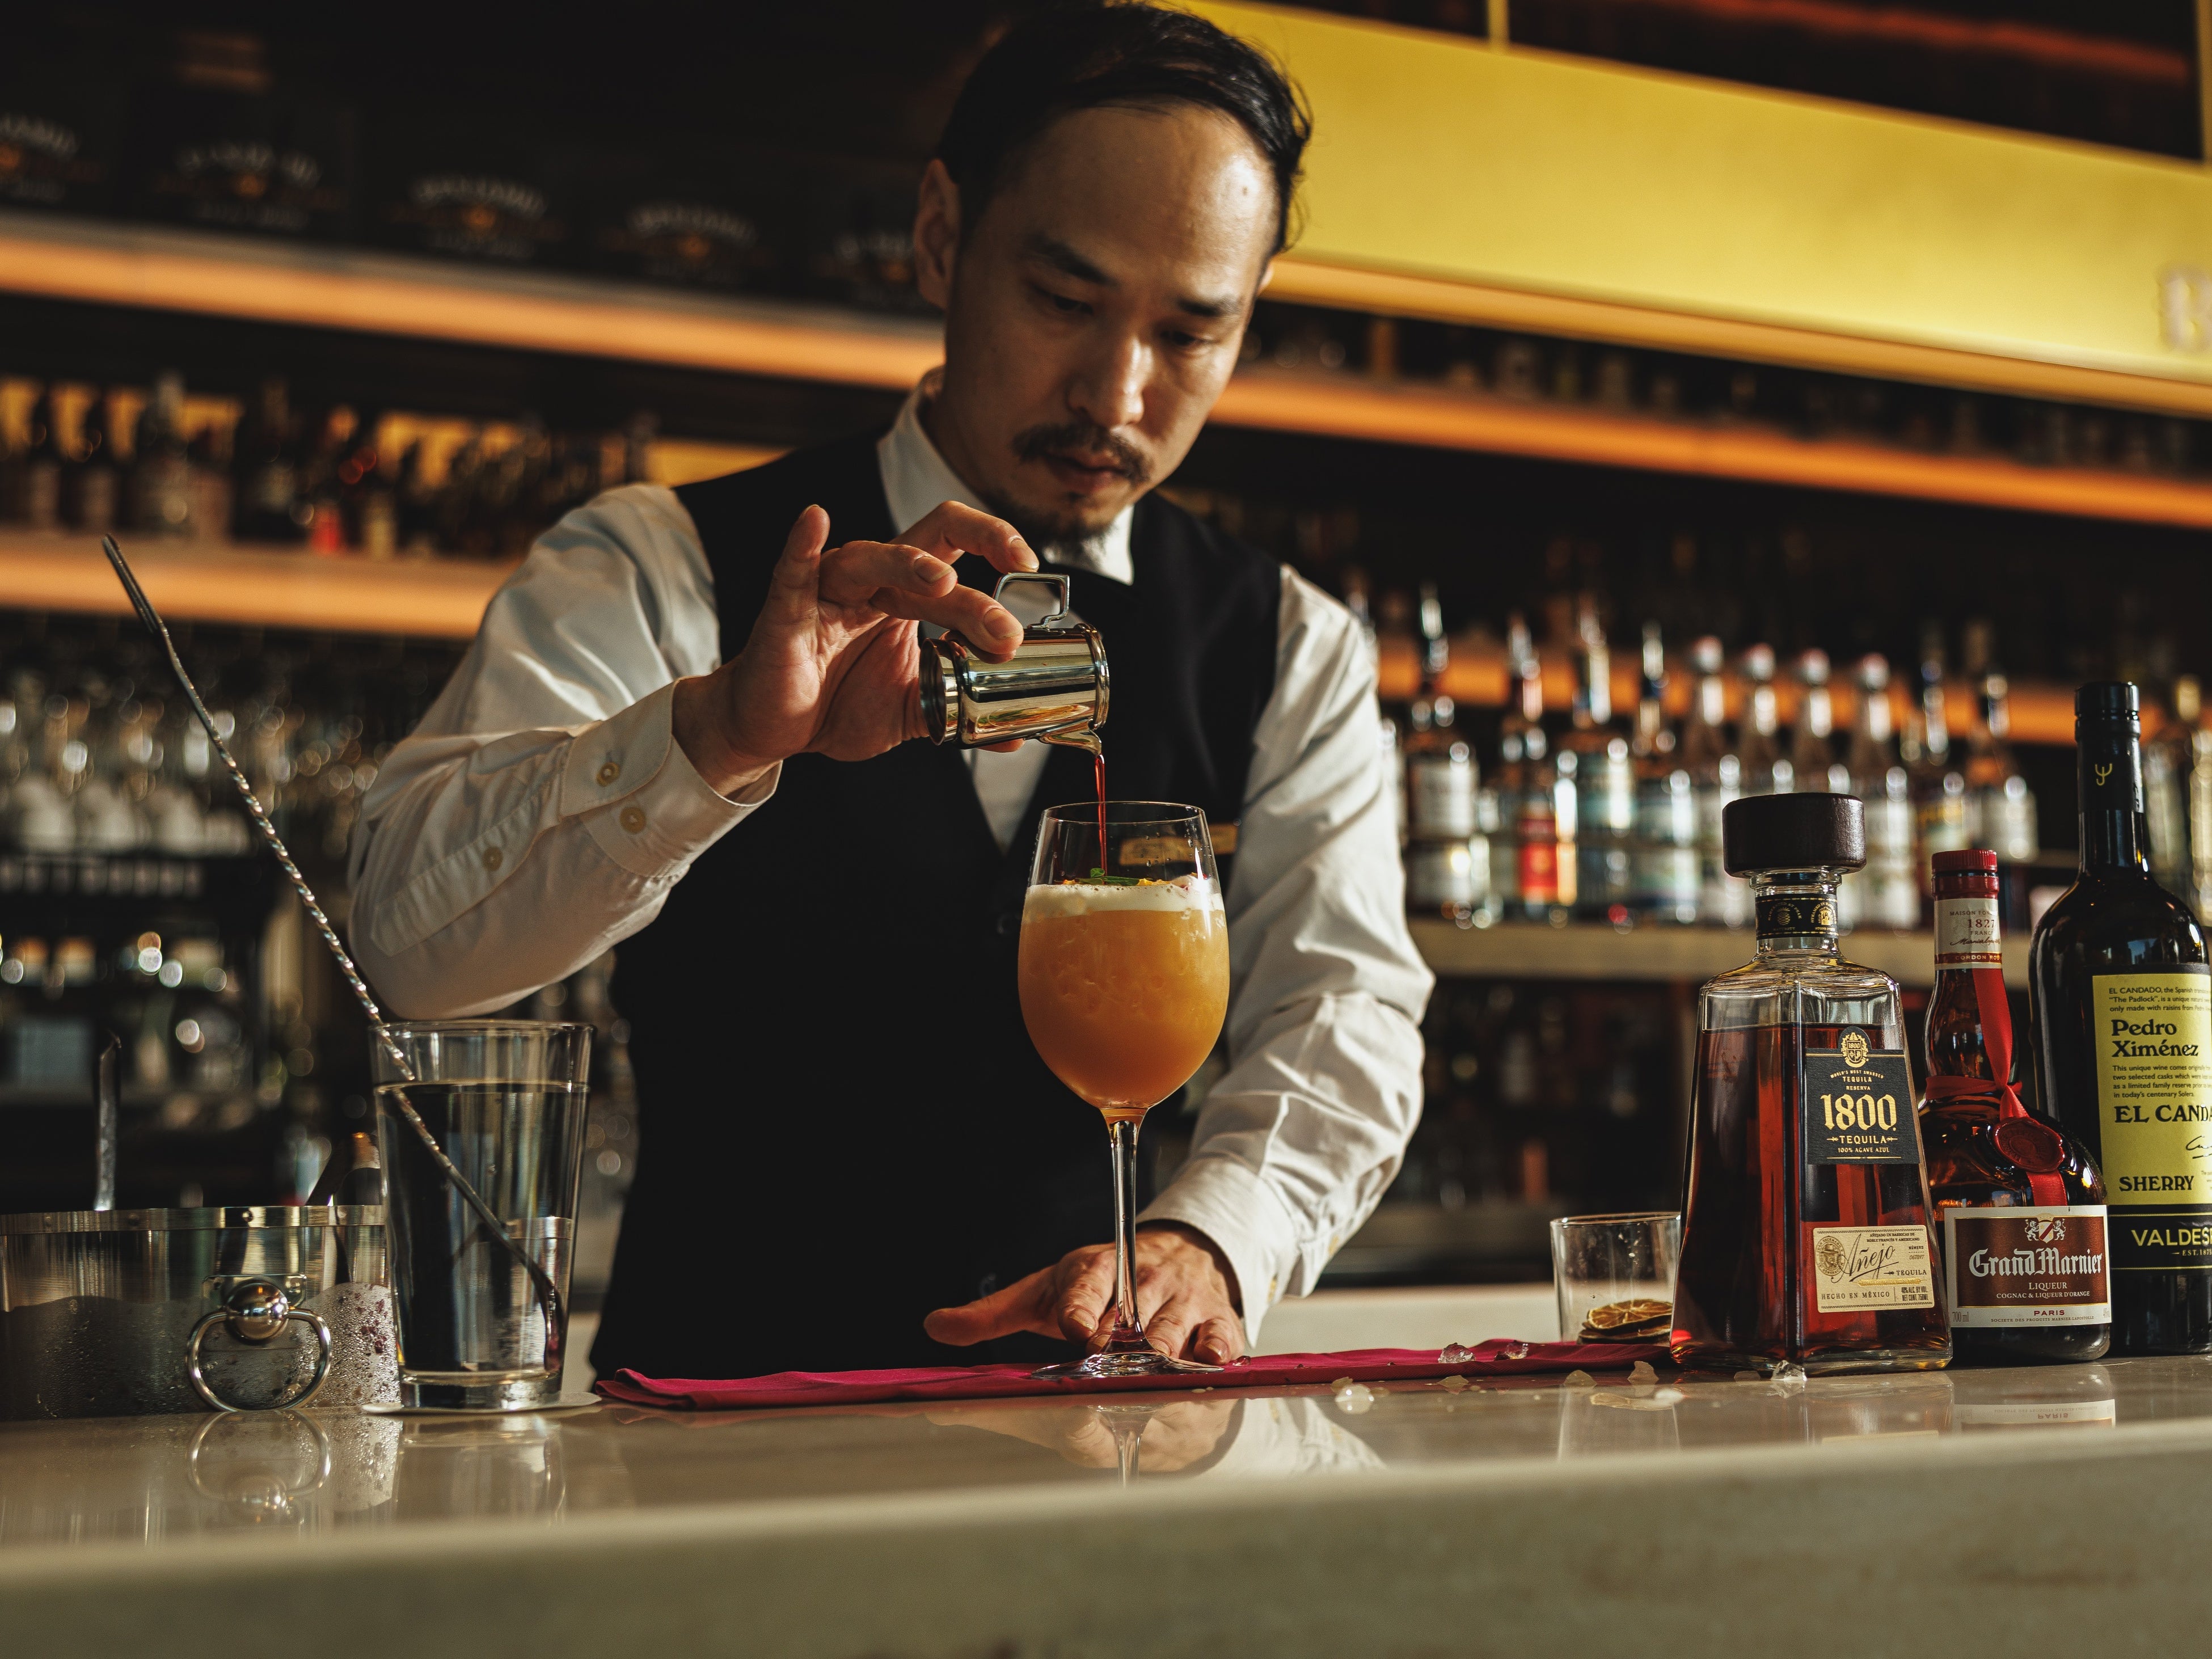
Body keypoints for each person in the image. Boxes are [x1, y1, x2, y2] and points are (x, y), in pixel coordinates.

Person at [348, 1, 1430, 1380]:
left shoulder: (1290, 645)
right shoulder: (662, 561)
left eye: (1190, 333)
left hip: (1094, 1440)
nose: (1118, 393)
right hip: (707, 1441)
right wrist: (714, 736)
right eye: (1065, 302)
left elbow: (1344, 1009)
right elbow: (411, 947)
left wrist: (1212, 1237)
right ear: (939, 237)